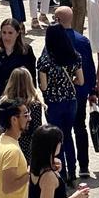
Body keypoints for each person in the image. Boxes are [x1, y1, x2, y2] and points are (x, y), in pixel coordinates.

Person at [38, 12, 84, 183]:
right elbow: (81, 81)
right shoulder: (74, 57)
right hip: (71, 101)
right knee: (68, 135)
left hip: (54, 104)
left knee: (55, 140)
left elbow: (43, 86)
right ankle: (73, 170)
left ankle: (61, 172)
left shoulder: (45, 61)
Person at [0, 18, 37, 101]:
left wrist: (32, 98)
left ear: (17, 33)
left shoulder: (26, 51)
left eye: (10, 33)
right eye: (4, 33)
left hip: (18, 99)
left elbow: (31, 76)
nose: (6, 36)